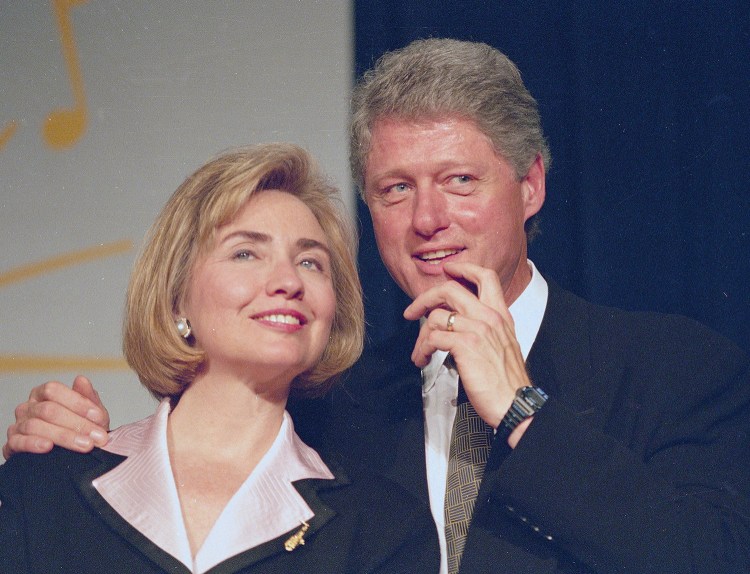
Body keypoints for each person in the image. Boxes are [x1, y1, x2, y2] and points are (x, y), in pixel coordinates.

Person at [6, 38, 750, 574]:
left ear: (531, 188)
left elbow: (710, 556)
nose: (428, 218)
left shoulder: (671, 366)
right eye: (396, 189)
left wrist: (524, 411)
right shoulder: (331, 399)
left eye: (459, 180)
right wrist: (57, 443)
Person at [0, 143, 439, 573]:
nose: (288, 280)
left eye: (310, 262)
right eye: (245, 253)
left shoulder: (383, 529)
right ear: (176, 298)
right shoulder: (41, 486)